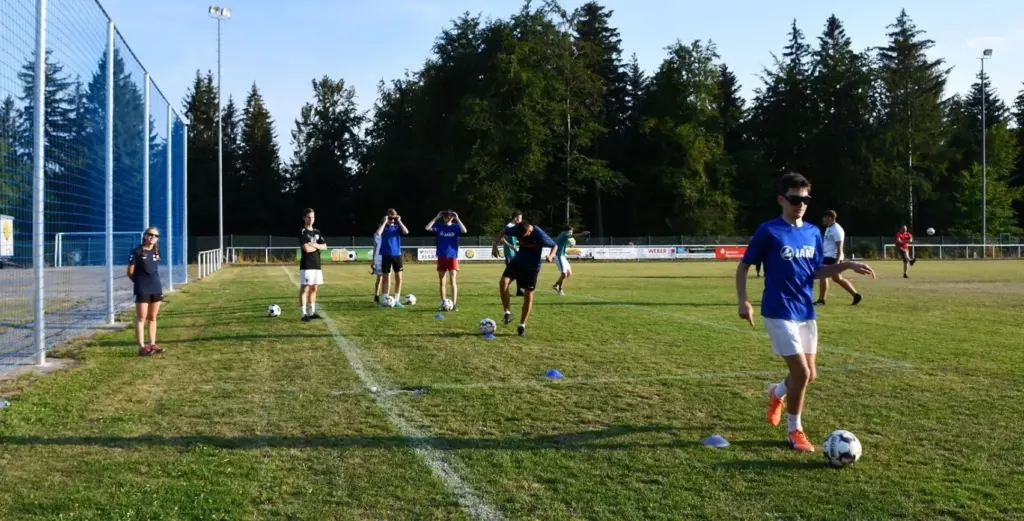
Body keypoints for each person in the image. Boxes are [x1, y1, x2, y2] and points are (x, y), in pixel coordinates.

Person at [735, 173, 875, 452]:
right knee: (800, 372)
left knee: (810, 374)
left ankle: (777, 393)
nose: (800, 203)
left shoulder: (812, 232)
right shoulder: (768, 231)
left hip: (805, 311)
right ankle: (794, 430)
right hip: (777, 310)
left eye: (805, 199)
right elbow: (743, 266)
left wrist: (845, 265)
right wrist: (744, 301)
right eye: (794, 198)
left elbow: (816, 271)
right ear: (781, 200)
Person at [491, 218, 557, 337]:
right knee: (503, 283)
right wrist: (494, 245)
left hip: (532, 268)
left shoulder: (539, 234)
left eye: (524, 236)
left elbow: (554, 245)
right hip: (518, 262)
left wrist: (551, 256)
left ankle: (522, 325)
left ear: (529, 231)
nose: (522, 238)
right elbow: (503, 231)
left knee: (528, 296)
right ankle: (507, 312)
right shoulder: (518, 228)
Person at [127, 227, 165, 356]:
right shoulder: (136, 251)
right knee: (141, 318)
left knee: (153, 317)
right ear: (144, 235)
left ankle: (152, 344)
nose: (153, 237)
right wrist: (139, 284)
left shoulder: (156, 250)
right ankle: (142, 347)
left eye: (156, 236)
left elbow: (154, 268)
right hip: (142, 288)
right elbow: (130, 272)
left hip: (156, 287)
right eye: (151, 234)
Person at [816, 210, 862, 306]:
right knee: (837, 279)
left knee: (822, 275)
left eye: (824, 217)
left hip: (832, 257)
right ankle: (856, 295)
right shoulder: (829, 228)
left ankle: (821, 300)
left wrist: (837, 261)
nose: (823, 219)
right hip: (827, 256)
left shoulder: (836, 229)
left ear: (830, 218)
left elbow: (839, 246)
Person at [426, 209, 467, 310]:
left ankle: (454, 304)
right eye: (445, 216)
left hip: (452, 257)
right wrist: (436, 217)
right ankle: (443, 302)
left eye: (449, 216)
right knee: (442, 282)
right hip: (441, 256)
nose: (447, 218)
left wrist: (458, 218)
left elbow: (464, 230)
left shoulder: (455, 226)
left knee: (453, 281)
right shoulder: (439, 226)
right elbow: (427, 228)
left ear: (452, 217)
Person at [375, 208, 409, 307]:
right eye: (390, 217)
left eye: (393, 217)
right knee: (385, 279)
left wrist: (399, 220)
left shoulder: (397, 227)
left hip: (396, 255)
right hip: (386, 255)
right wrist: (385, 221)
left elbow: (406, 232)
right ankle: (386, 300)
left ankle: (397, 300)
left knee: (399, 278)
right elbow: (378, 233)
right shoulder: (383, 227)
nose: (392, 220)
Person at [299, 208, 327, 321]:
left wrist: (313, 245)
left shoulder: (317, 232)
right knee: (305, 289)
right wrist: (317, 246)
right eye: (309, 217)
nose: (311, 219)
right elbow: (306, 249)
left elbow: (325, 246)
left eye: (313, 217)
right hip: (307, 265)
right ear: (304, 218)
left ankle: (312, 312)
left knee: (314, 288)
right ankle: (303, 314)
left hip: (317, 264)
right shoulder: (302, 231)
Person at [551, 226, 591, 295]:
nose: (571, 233)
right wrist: (582, 234)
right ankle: (560, 290)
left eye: (571, 232)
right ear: (565, 231)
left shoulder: (563, 236)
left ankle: (556, 285)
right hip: (559, 256)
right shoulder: (564, 235)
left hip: (563, 256)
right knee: (564, 274)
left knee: (569, 273)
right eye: (570, 231)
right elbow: (572, 236)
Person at [503, 210, 524, 296]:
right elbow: (502, 239)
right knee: (510, 272)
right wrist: (512, 247)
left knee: (520, 271)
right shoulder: (508, 227)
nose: (521, 220)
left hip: (517, 253)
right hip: (510, 253)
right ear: (515, 218)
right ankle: (506, 290)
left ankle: (519, 290)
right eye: (520, 218)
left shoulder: (517, 227)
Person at [371, 230, 383, 304]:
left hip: (388, 257)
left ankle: (386, 296)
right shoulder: (376, 234)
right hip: (379, 258)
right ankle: (377, 295)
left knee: (387, 277)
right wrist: (373, 260)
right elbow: (375, 247)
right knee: (379, 278)